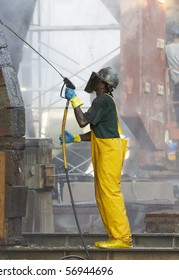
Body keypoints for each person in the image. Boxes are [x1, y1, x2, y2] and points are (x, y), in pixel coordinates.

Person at [59, 67, 132, 249]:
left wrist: (74, 100)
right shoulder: (107, 102)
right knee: (102, 195)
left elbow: (83, 121)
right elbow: (99, 132)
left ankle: (122, 239)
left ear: (102, 84)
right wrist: (75, 138)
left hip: (109, 152)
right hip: (106, 149)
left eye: (98, 80)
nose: (95, 83)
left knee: (110, 194)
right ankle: (114, 236)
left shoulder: (102, 101)